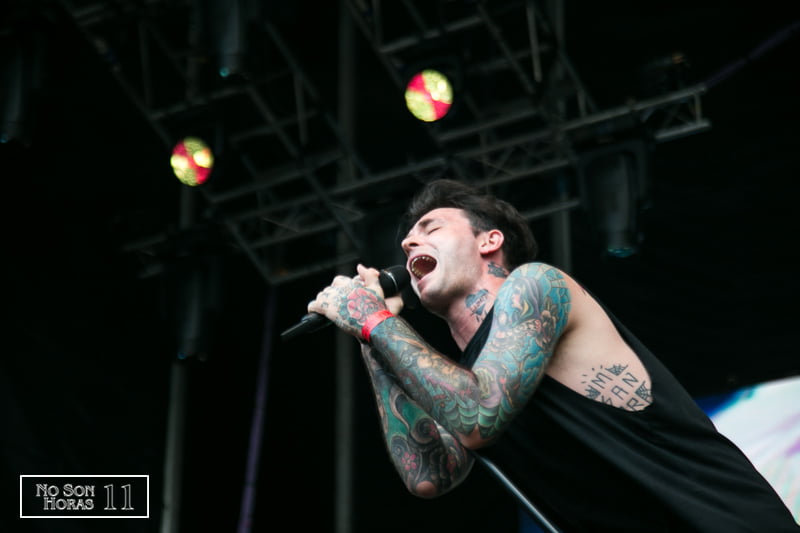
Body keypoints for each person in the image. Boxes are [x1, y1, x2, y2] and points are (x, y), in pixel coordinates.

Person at [307, 178, 799, 532]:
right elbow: (429, 474)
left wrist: (375, 320)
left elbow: (478, 413)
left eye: (431, 227)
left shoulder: (537, 286)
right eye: (409, 237)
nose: (409, 240)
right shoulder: (466, 378)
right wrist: (370, 338)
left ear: (489, 240)